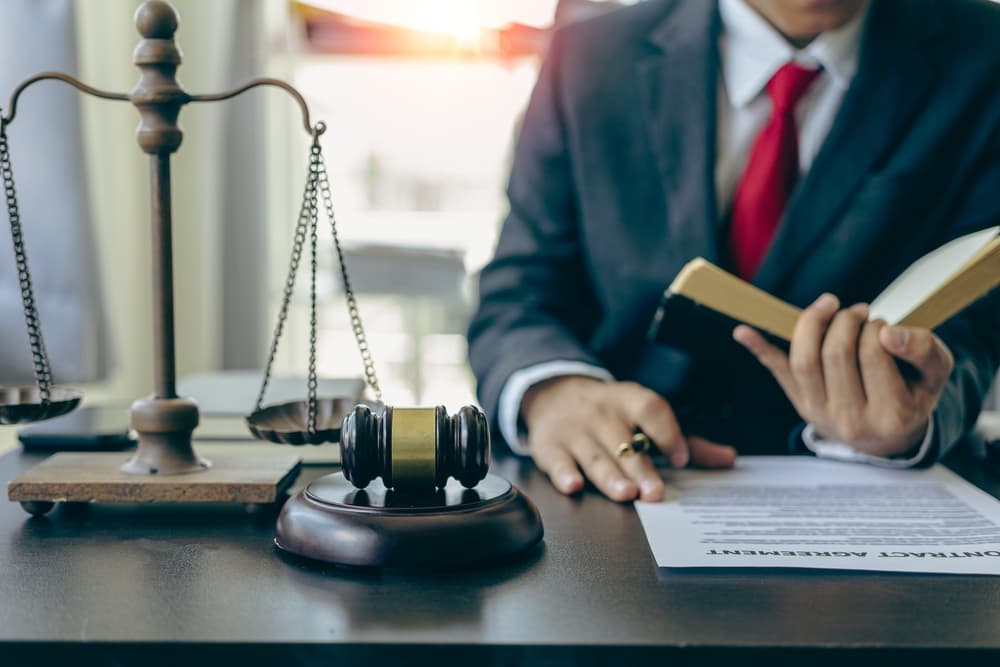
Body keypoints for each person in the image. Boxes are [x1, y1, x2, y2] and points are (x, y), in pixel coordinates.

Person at [466, 0, 1000, 502]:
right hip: (618, 484)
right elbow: (519, 291)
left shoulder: (983, 55)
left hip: (871, 498)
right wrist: (555, 391)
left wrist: (911, 418)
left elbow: (975, 317)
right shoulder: (589, 54)